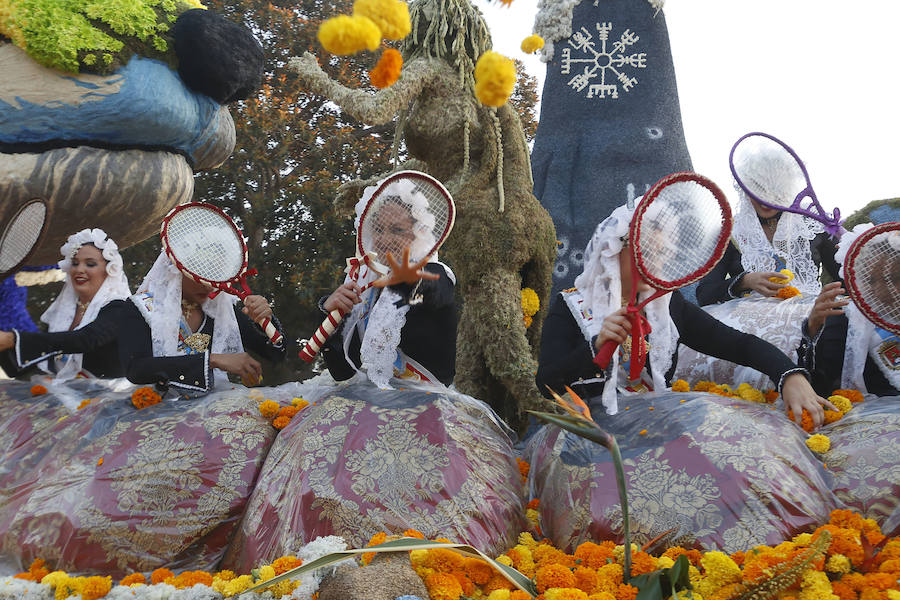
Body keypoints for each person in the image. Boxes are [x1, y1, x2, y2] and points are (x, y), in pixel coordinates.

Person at [536, 204, 835, 428]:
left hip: (653, 430)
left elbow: (738, 345)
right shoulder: (572, 305)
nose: (654, 265)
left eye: (661, 255)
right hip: (590, 437)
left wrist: (789, 376)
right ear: (612, 252)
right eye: (644, 254)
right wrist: (595, 347)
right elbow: (546, 381)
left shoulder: (667, 305)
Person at [319, 177, 457, 388]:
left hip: (426, 409)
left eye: (397, 230)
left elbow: (437, 293)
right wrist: (330, 315)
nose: (383, 240)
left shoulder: (435, 274)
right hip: (372, 404)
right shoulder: (366, 290)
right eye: (378, 229)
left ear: (419, 233)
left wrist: (407, 280)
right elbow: (342, 372)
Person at [117, 251, 286, 394]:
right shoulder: (141, 307)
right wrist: (212, 360)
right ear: (177, 268)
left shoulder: (223, 311)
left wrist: (264, 321)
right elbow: (136, 369)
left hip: (213, 415)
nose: (208, 284)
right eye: (199, 272)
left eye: (214, 274)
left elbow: (276, 354)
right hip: (156, 416)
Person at [696, 156, 839, 306]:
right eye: (758, 189)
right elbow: (705, 295)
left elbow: (846, 280)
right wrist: (744, 281)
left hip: (812, 316)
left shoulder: (813, 224)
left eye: (775, 189)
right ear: (744, 189)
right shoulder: (729, 233)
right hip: (752, 325)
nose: (766, 198)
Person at [0, 228, 131, 380]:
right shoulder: (64, 311)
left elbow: (85, 340)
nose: (79, 269)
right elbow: (48, 351)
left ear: (109, 270)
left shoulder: (119, 307)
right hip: (66, 396)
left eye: (90, 264)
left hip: (112, 398)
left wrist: (13, 339)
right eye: (75, 263)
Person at [797, 224, 899, 397]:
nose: (882, 291)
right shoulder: (844, 321)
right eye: (871, 280)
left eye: (894, 278)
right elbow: (818, 386)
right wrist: (813, 329)